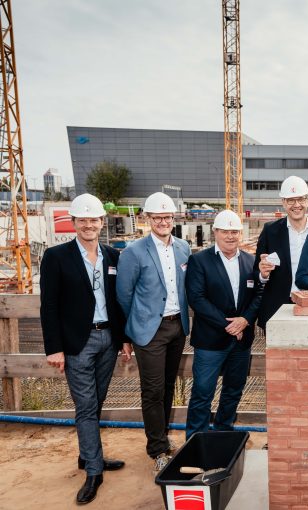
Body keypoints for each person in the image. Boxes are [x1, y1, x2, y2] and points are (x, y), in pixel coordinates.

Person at [40, 194, 130, 505]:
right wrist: (54, 348)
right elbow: (48, 306)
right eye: (83, 220)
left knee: (97, 400)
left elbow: (119, 301)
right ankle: (94, 471)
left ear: (102, 223)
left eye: (94, 220)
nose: (89, 224)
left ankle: (87, 455)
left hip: (108, 339)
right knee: (87, 406)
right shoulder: (56, 257)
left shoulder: (113, 255)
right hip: (77, 342)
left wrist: (124, 339)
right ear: (74, 223)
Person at [117, 192, 190, 472]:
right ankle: (157, 448)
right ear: (147, 219)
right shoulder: (134, 252)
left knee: (169, 385)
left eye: (167, 217)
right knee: (152, 390)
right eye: (157, 217)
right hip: (149, 330)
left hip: (177, 326)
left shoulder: (183, 248)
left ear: (173, 218)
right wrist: (129, 333)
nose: (162, 222)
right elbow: (124, 295)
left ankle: (160, 437)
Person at [185, 210, 262, 438]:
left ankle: (223, 433)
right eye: (225, 231)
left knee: (233, 391)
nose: (230, 236)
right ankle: (196, 440)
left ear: (241, 233)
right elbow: (197, 298)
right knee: (202, 393)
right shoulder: (199, 260)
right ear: (215, 232)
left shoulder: (250, 261)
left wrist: (245, 320)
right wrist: (229, 325)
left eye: (235, 232)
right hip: (211, 341)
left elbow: (259, 293)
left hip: (241, 343)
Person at [254, 176, 308, 329]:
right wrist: (263, 274)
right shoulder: (270, 231)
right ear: (283, 203)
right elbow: (255, 272)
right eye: (291, 200)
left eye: (301, 199)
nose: (296, 205)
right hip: (277, 308)